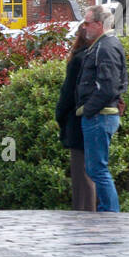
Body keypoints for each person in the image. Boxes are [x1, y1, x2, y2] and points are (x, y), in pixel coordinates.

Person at [75, 4, 129, 212]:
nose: (84, 27)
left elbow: (108, 86)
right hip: (100, 115)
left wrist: (88, 109)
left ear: (99, 24)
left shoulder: (105, 47)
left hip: (100, 115)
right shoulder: (103, 45)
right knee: (95, 168)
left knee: (98, 169)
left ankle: (110, 213)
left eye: (87, 23)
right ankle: (108, 212)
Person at [56, 23, 97, 211]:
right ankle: (88, 211)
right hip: (96, 117)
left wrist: (60, 115)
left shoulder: (78, 59)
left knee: (80, 172)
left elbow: (67, 93)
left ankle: (84, 212)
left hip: (76, 118)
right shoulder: (98, 56)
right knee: (92, 169)